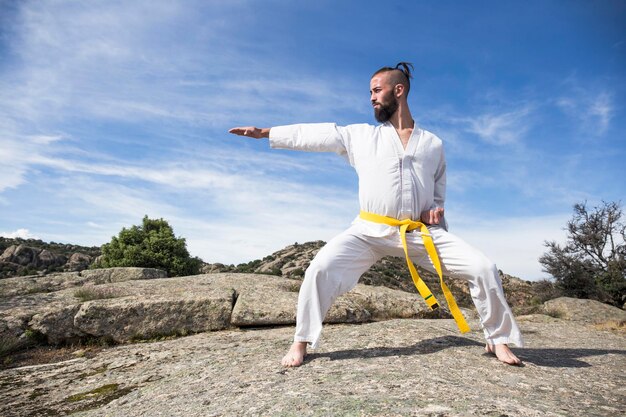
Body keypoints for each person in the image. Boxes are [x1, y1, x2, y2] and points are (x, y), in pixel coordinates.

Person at [229, 62, 523, 367]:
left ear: (399, 90)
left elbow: (437, 191)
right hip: (369, 231)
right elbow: (318, 134)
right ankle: (301, 342)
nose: (371, 97)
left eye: (376, 90)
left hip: (417, 234)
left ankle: (498, 339)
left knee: (484, 267)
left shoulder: (433, 144)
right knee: (319, 269)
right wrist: (266, 133)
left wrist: (435, 212)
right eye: (370, 91)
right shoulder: (362, 137)